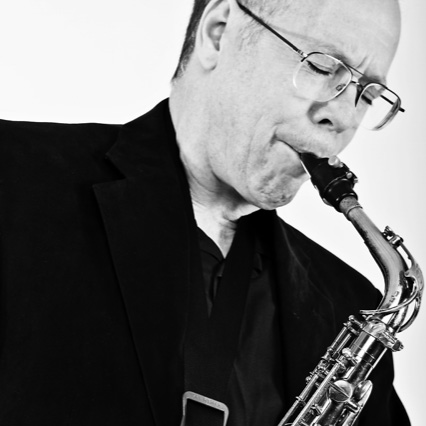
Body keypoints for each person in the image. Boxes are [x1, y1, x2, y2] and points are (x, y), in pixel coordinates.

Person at [0, 0, 413, 425]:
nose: (343, 116)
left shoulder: (352, 302)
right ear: (218, 33)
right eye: (323, 67)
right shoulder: (12, 175)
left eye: (368, 94)